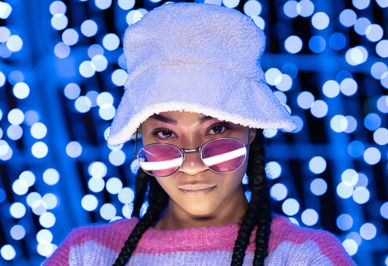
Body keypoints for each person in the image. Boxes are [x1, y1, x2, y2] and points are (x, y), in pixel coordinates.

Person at [44, 2, 355, 265]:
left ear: (252, 130)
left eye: (216, 129)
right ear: (141, 139)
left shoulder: (305, 257)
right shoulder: (85, 254)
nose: (192, 165)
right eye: (165, 134)